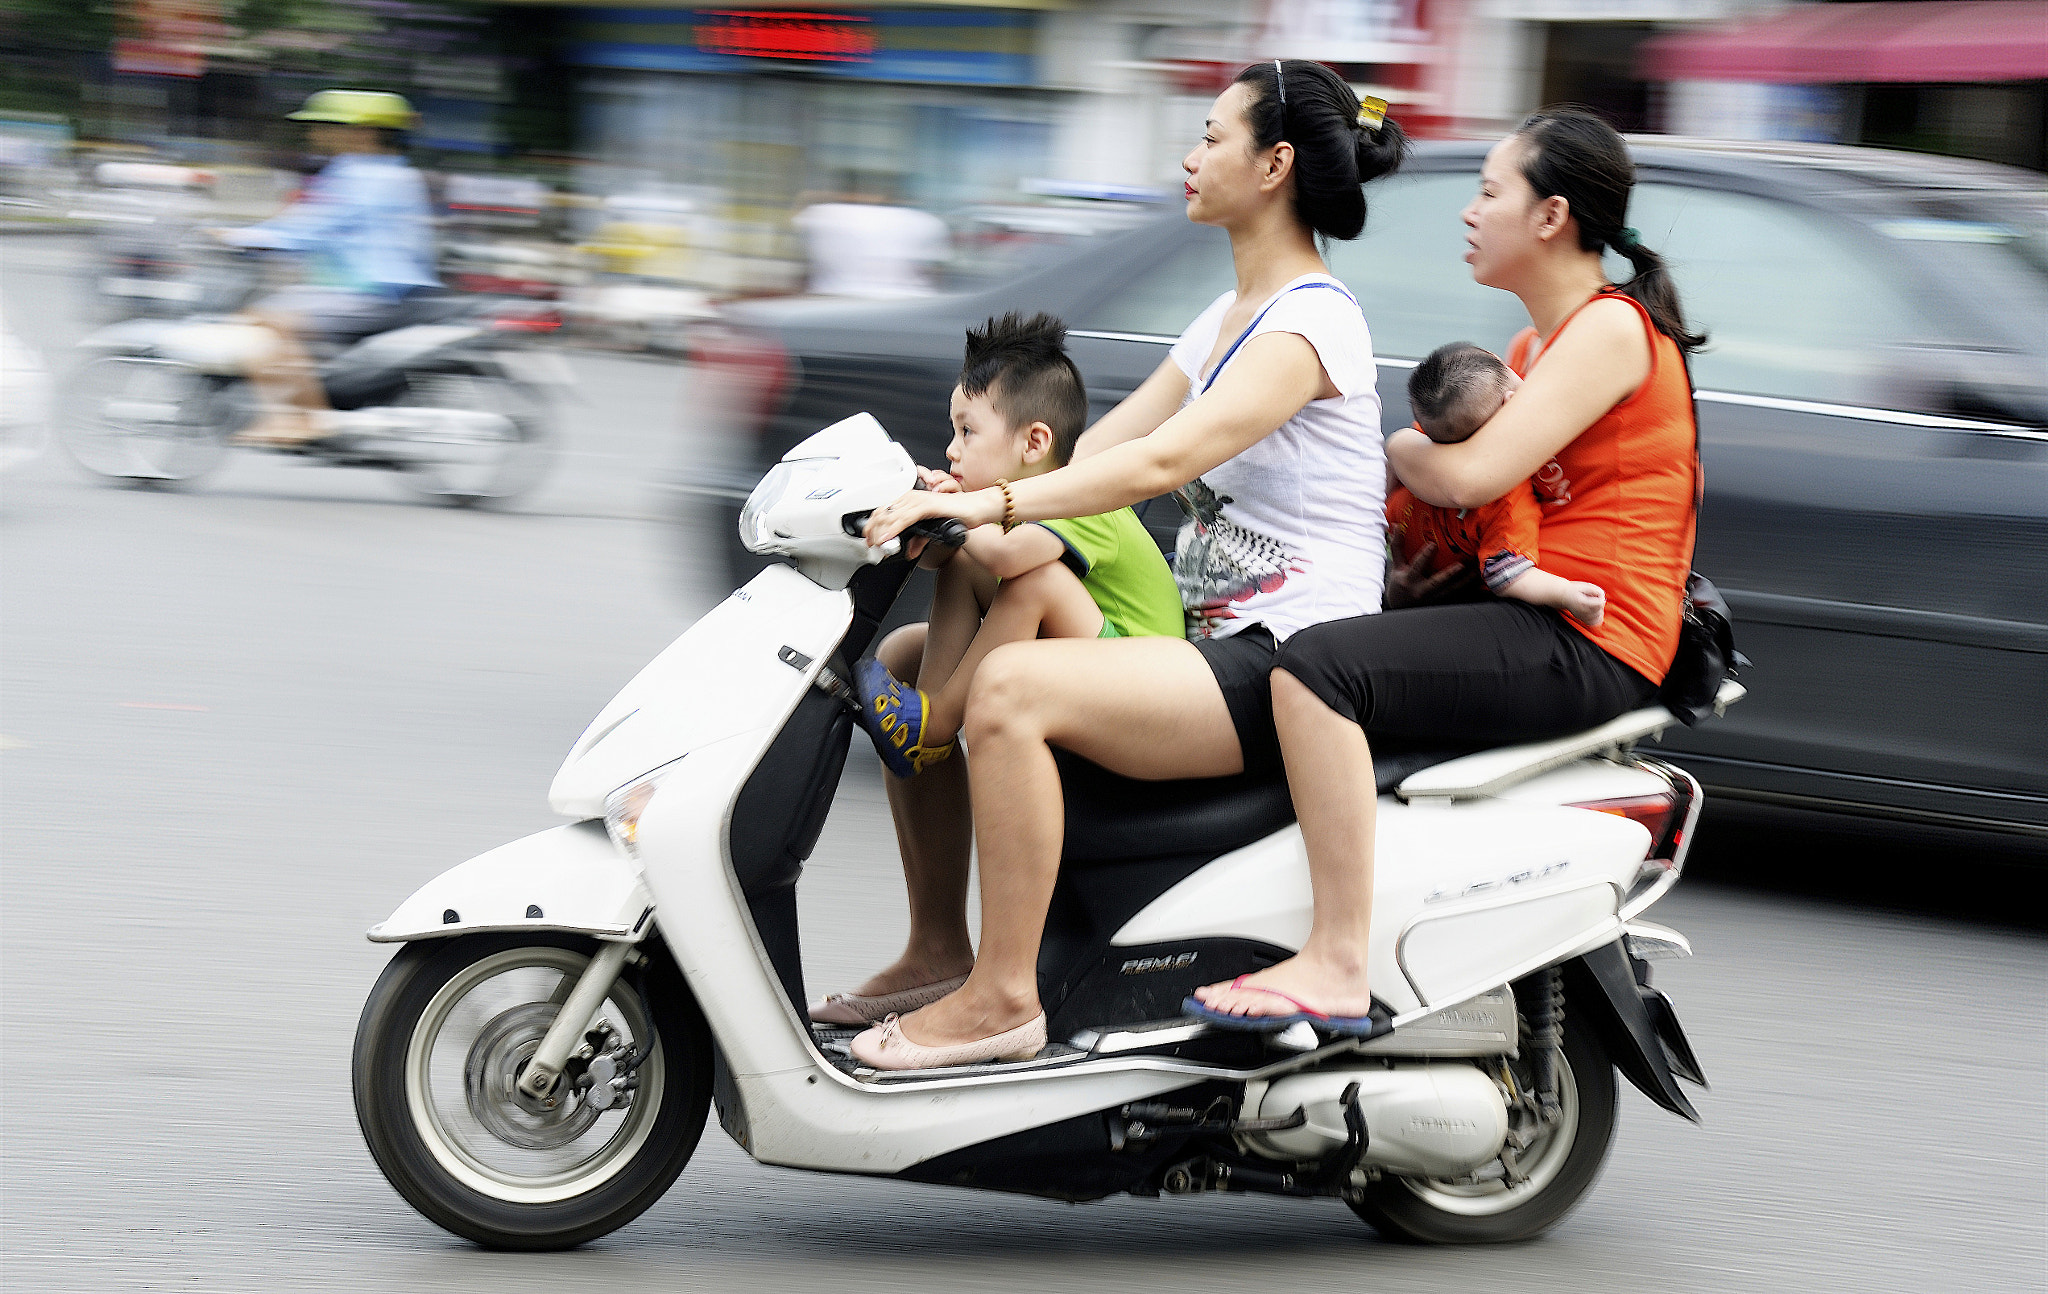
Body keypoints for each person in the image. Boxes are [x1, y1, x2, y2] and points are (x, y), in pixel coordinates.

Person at [843, 61, 1407, 1070]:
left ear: (1273, 164)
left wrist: (987, 500)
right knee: (904, 652)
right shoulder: (1218, 323)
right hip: (1207, 650)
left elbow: (1159, 463)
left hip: (1282, 662)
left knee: (1006, 689)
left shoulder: (1315, 319)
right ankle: (939, 945)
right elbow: (1093, 454)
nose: (1188, 158)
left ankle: (1002, 1000)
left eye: (1210, 137)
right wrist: (955, 495)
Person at [1188, 108, 1704, 1029]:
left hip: (1593, 636)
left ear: (1549, 218)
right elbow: (1482, 507)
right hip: (1542, 618)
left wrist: (1399, 443)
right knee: (1315, 647)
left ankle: (1338, 961)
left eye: (1490, 192)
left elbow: (1470, 474)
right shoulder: (1524, 354)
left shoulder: (1610, 329)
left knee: (1318, 672)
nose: (1470, 212)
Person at [841, 312, 1184, 789]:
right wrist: (929, 519)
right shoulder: (1009, 506)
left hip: (1141, 678)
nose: (952, 449)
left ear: (1034, 442)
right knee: (963, 560)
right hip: (1094, 653)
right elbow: (954, 558)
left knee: (1035, 580)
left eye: (968, 431)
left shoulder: (1080, 498)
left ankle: (936, 723)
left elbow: (1008, 560)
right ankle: (927, 708)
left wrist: (953, 507)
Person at [214, 90, 438, 446]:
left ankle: (298, 418)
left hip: (374, 293)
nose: (315, 134)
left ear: (364, 133)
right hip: (375, 289)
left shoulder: (362, 175)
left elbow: (315, 226)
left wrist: (247, 239)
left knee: (265, 320)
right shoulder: (387, 173)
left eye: (326, 126)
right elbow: (311, 225)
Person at [1388, 341, 1606, 629]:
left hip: (1391, 545)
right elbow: (1507, 573)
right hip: (1446, 603)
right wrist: (1567, 594)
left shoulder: (1423, 447)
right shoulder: (1505, 499)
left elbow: (1390, 471)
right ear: (1510, 404)